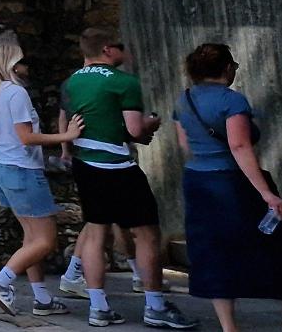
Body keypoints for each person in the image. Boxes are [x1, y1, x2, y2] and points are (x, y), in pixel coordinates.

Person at [58, 27, 198, 328]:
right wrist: (151, 124)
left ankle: (98, 307)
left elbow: (76, 120)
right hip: (117, 166)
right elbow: (134, 130)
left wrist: (67, 147)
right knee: (146, 233)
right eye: (122, 47)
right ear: (108, 49)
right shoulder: (125, 82)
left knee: (96, 233)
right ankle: (155, 305)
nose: (127, 52)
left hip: (86, 163)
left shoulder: (72, 82)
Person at [172, 42, 282, 332]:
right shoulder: (232, 101)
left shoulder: (183, 99)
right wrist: (266, 193)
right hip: (231, 182)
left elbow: (185, 144)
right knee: (273, 243)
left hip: (197, 181)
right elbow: (239, 145)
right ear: (227, 68)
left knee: (214, 252)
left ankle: (228, 326)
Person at [0, 31, 84, 317]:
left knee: (31, 238)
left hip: (0, 169)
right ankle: (2, 280)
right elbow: (26, 137)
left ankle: (42, 299)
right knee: (46, 240)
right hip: (22, 171)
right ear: (13, 61)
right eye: (23, 59)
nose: (27, 65)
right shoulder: (17, 93)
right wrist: (67, 135)